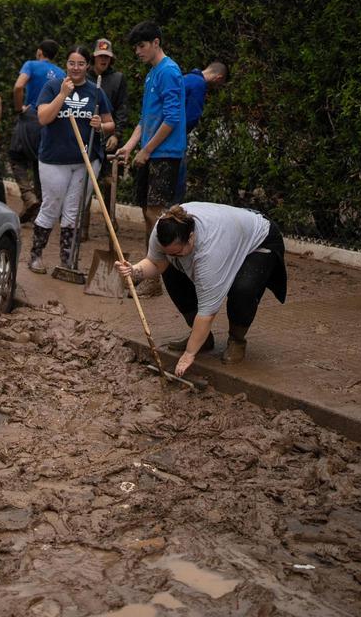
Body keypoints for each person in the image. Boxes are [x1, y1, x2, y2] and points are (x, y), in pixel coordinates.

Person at [115, 203, 286, 377]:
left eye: (177, 252)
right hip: (228, 231)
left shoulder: (209, 253)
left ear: (191, 238)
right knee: (171, 270)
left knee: (243, 289)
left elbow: (207, 313)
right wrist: (135, 270)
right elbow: (156, 263)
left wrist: (189, 354)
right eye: (169, 253)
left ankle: (237, 340)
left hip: (258, 239)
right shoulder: (163, 230)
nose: (172, 256)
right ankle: (203, 340)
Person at [29, 46, 114, 274]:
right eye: (71, 63)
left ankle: (67, 262)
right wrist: (62, 95)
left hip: (86, 159)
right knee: (51, 206)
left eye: (80, 64)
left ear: (88, 66)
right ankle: (36, 256)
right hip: (54, 159)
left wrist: (101, 125)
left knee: (74, 210)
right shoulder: (52, 86)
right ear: (66, 64)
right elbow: (43, 118)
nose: (75, 68)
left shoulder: (96, 92)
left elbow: (110, 123)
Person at [119, 21, 185, 297]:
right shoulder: (152, 74)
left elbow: (171, 119)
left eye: (142, 45)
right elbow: (146, 119)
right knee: (148, 214)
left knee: (155, 215)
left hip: (165, 154)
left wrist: (147, 151)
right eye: (135, 47)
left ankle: (160, 275)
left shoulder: (169, 71)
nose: (138, 51)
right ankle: (151, 273)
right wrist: (131, 146)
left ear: (156, 42)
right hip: (151, 153)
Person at [10, 39, 64, 223]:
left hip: (31, 116)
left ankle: (29, 197)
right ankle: (41, 208)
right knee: (39, 162)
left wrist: (19, 109)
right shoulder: (61, 73)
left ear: (40, 52)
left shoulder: (31, 65)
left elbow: (18, 86)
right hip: (49, 122)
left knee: (17, 156)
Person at [175, 61, 228, 200]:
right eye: (219, 84)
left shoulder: (185, 78)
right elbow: (192, 117)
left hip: (164, 135)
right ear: (219, 78)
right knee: (177, 187)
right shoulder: (199, 84)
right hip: (176, 139)